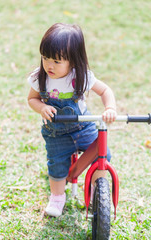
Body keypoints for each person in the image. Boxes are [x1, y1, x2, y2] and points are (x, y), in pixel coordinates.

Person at [27, 23, 117, 217]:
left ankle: (96, 192)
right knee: (57, 164)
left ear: (73, 61)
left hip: (83, 127)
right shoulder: (40, 77)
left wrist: (109, 107)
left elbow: (105, 91)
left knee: (103, 155)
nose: (49, 65)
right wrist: (42, 107)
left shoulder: (81, 76)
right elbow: (31, 99)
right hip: (55, 132)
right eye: (45, 58)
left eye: (57, 61)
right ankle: (57, 197)